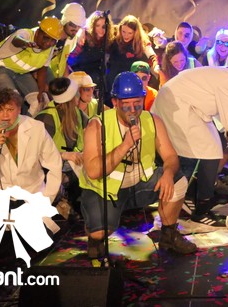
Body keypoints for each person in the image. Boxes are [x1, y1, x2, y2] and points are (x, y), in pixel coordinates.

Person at [80, 72, 197, 257]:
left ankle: (169, 235)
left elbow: (171, 156)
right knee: (100, 231)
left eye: (138, 103)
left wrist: (168, 174)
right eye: (127, 104)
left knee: (177, 181)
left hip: (140, 184)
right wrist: (124, 145)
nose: (133, 110)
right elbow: (93, 172)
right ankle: (95, 240)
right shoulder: (97, 125)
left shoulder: (152, 120)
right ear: (115, 102)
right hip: (106, 190)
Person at [151, 61, 228, 224]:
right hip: (176, 104)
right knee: (207, 151)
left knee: (213, 149)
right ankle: (197, 206)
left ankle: (195, 198)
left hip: (189, 106)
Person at [0, 88, 62, 203]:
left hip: (31, 192)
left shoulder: (36, 128)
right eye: (0, 110)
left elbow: (55, 164)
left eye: (10, 109)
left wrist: (48, 198)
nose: (5, 115)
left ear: (19, 109)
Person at [0, 17, 63, 116]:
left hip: (20, 74)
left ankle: (26, 125)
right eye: (46, 38)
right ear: (38, 32)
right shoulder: (26, 34)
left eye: (53, 40)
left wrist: (41, 91)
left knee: (38, 103)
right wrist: (26, 43)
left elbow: (43, 70)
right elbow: (16, 40)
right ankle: (10, 125)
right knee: (11, 101)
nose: (48, 43)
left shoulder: (50, 48)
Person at [36, 77, 89, 217]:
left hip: (75, 162)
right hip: (50, 166)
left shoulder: (77, 113)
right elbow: (36, 154)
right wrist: (65, 155)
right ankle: (63, 202)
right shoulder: (47, 118)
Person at [106, 15, 159, 102]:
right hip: (115, 78)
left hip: (134, 79)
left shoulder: (143, 43)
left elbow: (152, 56)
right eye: (123, 32)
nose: (125, 35)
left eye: (130, 33)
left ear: (136, 32)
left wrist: (156, 65)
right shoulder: (116, 40)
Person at [68, 10, 113, 84]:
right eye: (97, 26)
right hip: (79, 75)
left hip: (96, 77)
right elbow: (70, 59)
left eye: (104, 26)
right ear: (92, 25)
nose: (101, 30)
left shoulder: (107, 39)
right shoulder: (84, 37)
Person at [50, 3, 87, 78]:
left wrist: (67, 79)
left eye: (79, 26)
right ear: (65, 21)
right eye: (73, 25)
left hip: (51, 74)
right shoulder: (49, 32)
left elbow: (63, 61)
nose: (76, 29)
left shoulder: (72, 40)